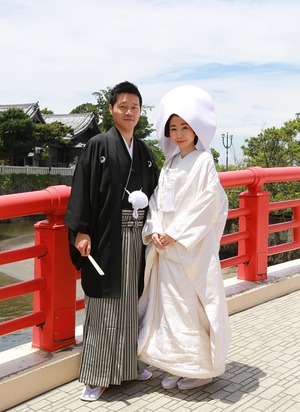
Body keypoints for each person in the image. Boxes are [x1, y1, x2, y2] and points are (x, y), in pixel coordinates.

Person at [64, 81, 158, 401]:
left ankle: (130, 364)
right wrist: (82, 230)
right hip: (106, 236)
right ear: (111, 109)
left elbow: (158, 193)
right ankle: (98, 374)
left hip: (138, 236)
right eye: (123, 106)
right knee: (105, 303)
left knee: (133, 301)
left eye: (135, 107)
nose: (129, 111)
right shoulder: (98, 145)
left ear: (140, 111)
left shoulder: (144, 151)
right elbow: (82, 188)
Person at [138, 85, 231, 390]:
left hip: (190, 248)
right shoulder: (171, 163)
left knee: (192, 307)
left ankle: (201, 369)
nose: (178, 134)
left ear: (196, 130)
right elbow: (156, 202)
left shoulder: (204, 162)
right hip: (166, 247)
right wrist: (154, 230)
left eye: (184, 128)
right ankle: (176, 365)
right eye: (173, 128)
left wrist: (175, 234)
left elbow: (208, 203)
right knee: (169, 307)